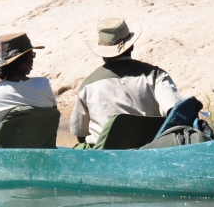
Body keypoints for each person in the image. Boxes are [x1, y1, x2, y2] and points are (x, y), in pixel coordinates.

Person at [70, 18, 183, 146]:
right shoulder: (156, 76)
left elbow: (80, 133)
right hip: (151, 149)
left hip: (105, 152)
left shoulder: (88, 85)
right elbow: (175, 112)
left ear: (102, 53)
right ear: (131, 46)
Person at [0, 33, 57, 146]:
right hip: (38, 149)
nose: (32, 59)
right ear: (28, 60)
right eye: (32, 55)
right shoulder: (44, 85)